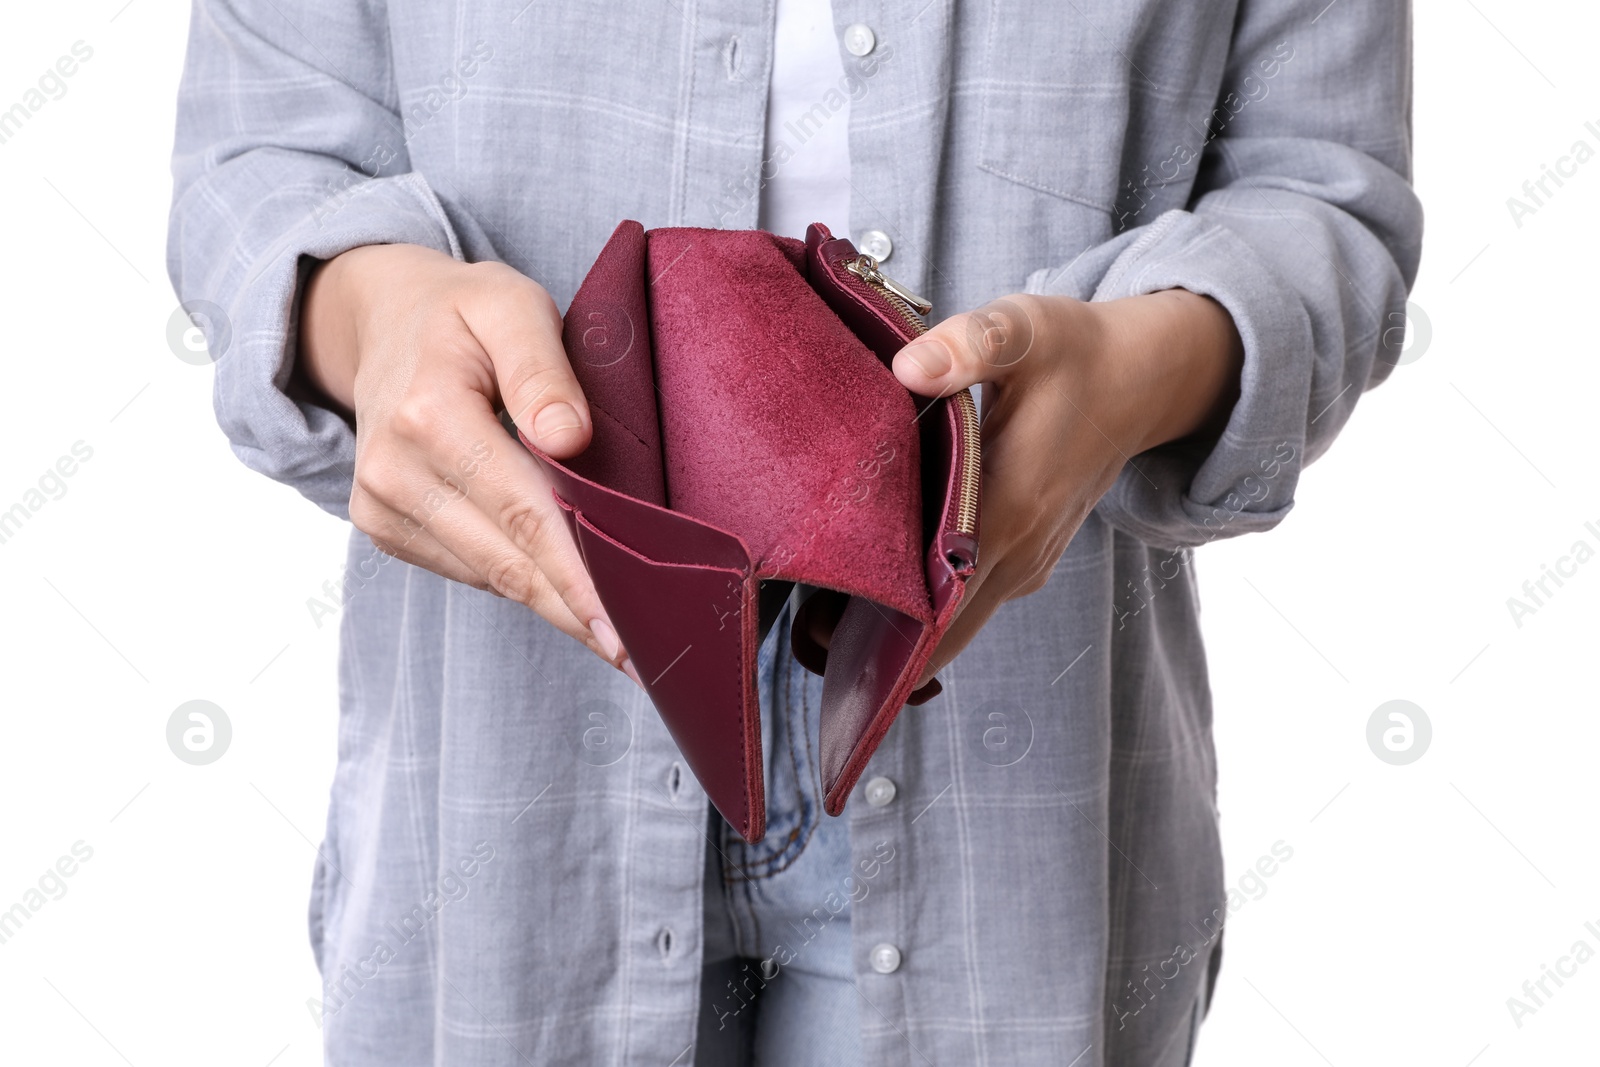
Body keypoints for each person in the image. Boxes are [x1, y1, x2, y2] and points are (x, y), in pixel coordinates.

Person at [166, 0, 1421, 1063]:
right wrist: (370, 316)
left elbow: (1321, 194)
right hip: (504, 764)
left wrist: (1138, 365)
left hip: (1019, 752)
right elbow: (260, 160)